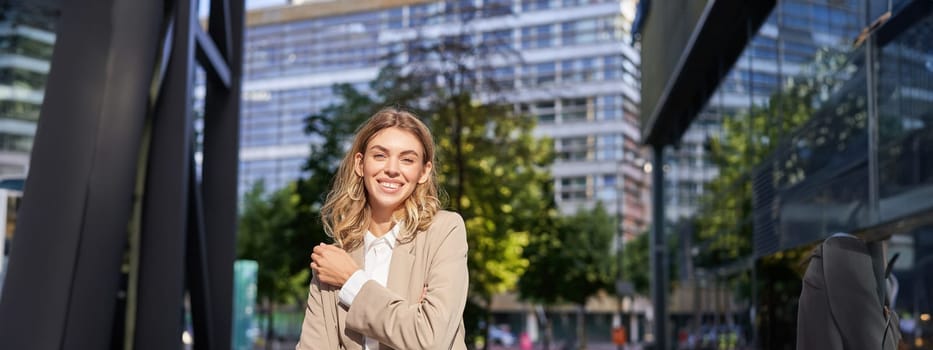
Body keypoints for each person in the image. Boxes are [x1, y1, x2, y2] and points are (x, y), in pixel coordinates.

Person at [296, 108, 469, 350]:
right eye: (380, 156)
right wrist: (408, 318)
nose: (392, 169)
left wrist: (351, 281)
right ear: (360, 163)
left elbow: (430, 339)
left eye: (407, 159)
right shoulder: (334, 260)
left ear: (424, 171)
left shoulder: (444, 231)